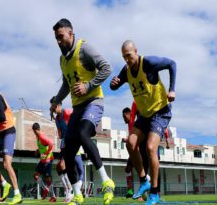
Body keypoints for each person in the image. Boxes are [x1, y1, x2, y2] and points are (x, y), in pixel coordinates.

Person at [50, 18, 115, 205]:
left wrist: (88, 86)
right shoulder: (62, 59)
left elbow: (107, 67)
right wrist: (56, 101)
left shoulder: (84, 48)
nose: (59, 42)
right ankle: (77, 194)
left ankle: (106, 181)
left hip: (94, 102)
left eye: (61, 37)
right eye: (56, 38)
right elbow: (66, 84)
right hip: (78, 107)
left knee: (83, 133)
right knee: (68, 152)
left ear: (71, 33)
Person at [110, 40, 176, 204]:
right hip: (144, 115)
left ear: (136, 52)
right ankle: (144, 180)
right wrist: (113, 84)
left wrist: (172, 89)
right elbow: (114, 86)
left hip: (160, 112)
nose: (127, 60)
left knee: (150, 148)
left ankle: (154, 192)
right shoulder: (126, 70)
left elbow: (172, 63)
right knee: (131, 144)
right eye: (124, 57)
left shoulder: (148, 63)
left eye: (129, 56)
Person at [50, 96, 84, 203]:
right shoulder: (56, 119)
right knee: (59, 167)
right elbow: (60, 134)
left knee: (79, 169)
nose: (52, 108)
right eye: (51, 106)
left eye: (54, 106)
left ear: (59, 105)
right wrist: (59, 137)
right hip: (65, 143)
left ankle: (73, 191)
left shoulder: (67, 112)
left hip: (74, 141)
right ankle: (70, 190)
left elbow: (79, 118)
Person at [32, 123, 57, 202]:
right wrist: (38, 150)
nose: (35, 133)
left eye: (35, 131)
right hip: (43, 160)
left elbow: (51, 144)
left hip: (48, 160)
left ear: (36, 130)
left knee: (48, 179)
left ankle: (53, 196)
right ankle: (45, 189)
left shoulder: (42, 136)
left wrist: (46, 154)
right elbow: (43, 146)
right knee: (35, 175)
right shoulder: (38, 137)